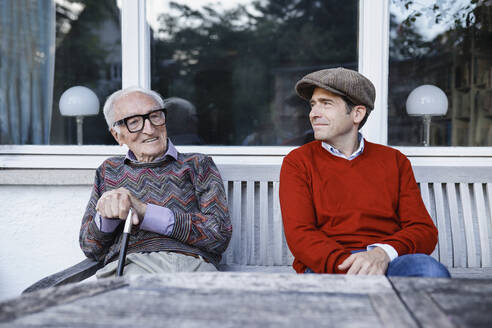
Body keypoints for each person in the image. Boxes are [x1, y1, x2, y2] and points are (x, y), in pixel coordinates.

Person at [279, 67, 450, 277]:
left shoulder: (394, 161)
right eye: (313, 105)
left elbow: (423, 230)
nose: (314, 114)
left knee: (430, 271)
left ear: (357, 113)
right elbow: (300, 235)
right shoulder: (298, 162)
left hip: (387, 261)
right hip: (329, 265)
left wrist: (382, 255)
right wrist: (355, 267)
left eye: (326, 104)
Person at [79, 86, 232, 277]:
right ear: (117, 135)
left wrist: (145, 212)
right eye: (134, 122)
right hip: (129, 266)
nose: (149, 129)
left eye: (155, 116)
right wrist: (107, 216)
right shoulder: (109, 170)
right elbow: (90, 246)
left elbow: (219, 236)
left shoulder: (198, 164)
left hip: (190, 265)